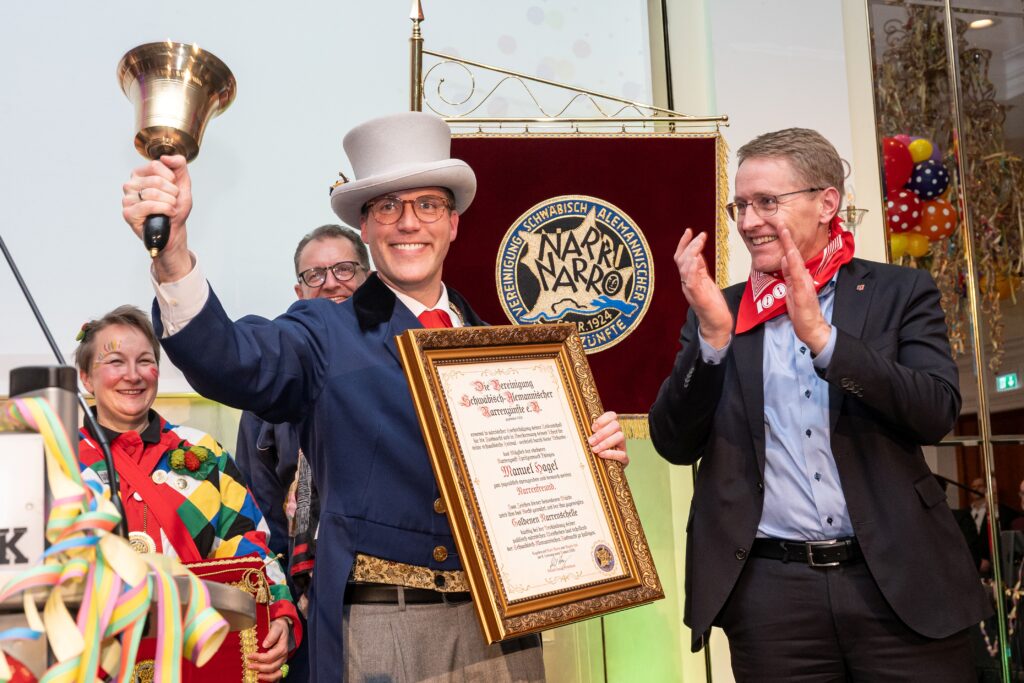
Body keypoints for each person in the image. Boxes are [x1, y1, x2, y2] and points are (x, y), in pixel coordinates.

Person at [120, 111, 629, 682]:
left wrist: (589, 462)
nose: (409, 223)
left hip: (504, 629)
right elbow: (229, 361)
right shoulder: (322, 333)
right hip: (383, 629)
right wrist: (174, 253)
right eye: (388, 207)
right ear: (365, 228)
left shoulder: (513, 351)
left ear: (454, 223)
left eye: (428, 205)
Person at [648, 128, 989, 680]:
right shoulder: (720, 309)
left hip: (898, 582)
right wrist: (712, 341)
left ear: (827, 202)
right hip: (771, 597)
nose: (749, 220)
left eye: (767, 202)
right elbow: (674, 442)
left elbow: (936, 412)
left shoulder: (898, 293)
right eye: (741, 204)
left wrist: (826, 341)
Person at [74, 305, 299, 682]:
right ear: (86, 377)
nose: (133, 375)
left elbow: (249, 543)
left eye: (145, 361)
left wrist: (279, 614)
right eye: (115, 361)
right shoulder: (58, 461)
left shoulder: (204, 451)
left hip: (201, 657)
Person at [234, 224, 369, 683]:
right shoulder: (267, 397)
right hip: (304, 608)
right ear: (299, 291)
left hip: (387, 598)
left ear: (369, 278)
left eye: (345, 269)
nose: (331, 282)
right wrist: (281, 611)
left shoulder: (405, 366)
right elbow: (260, 517)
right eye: (315, 275)